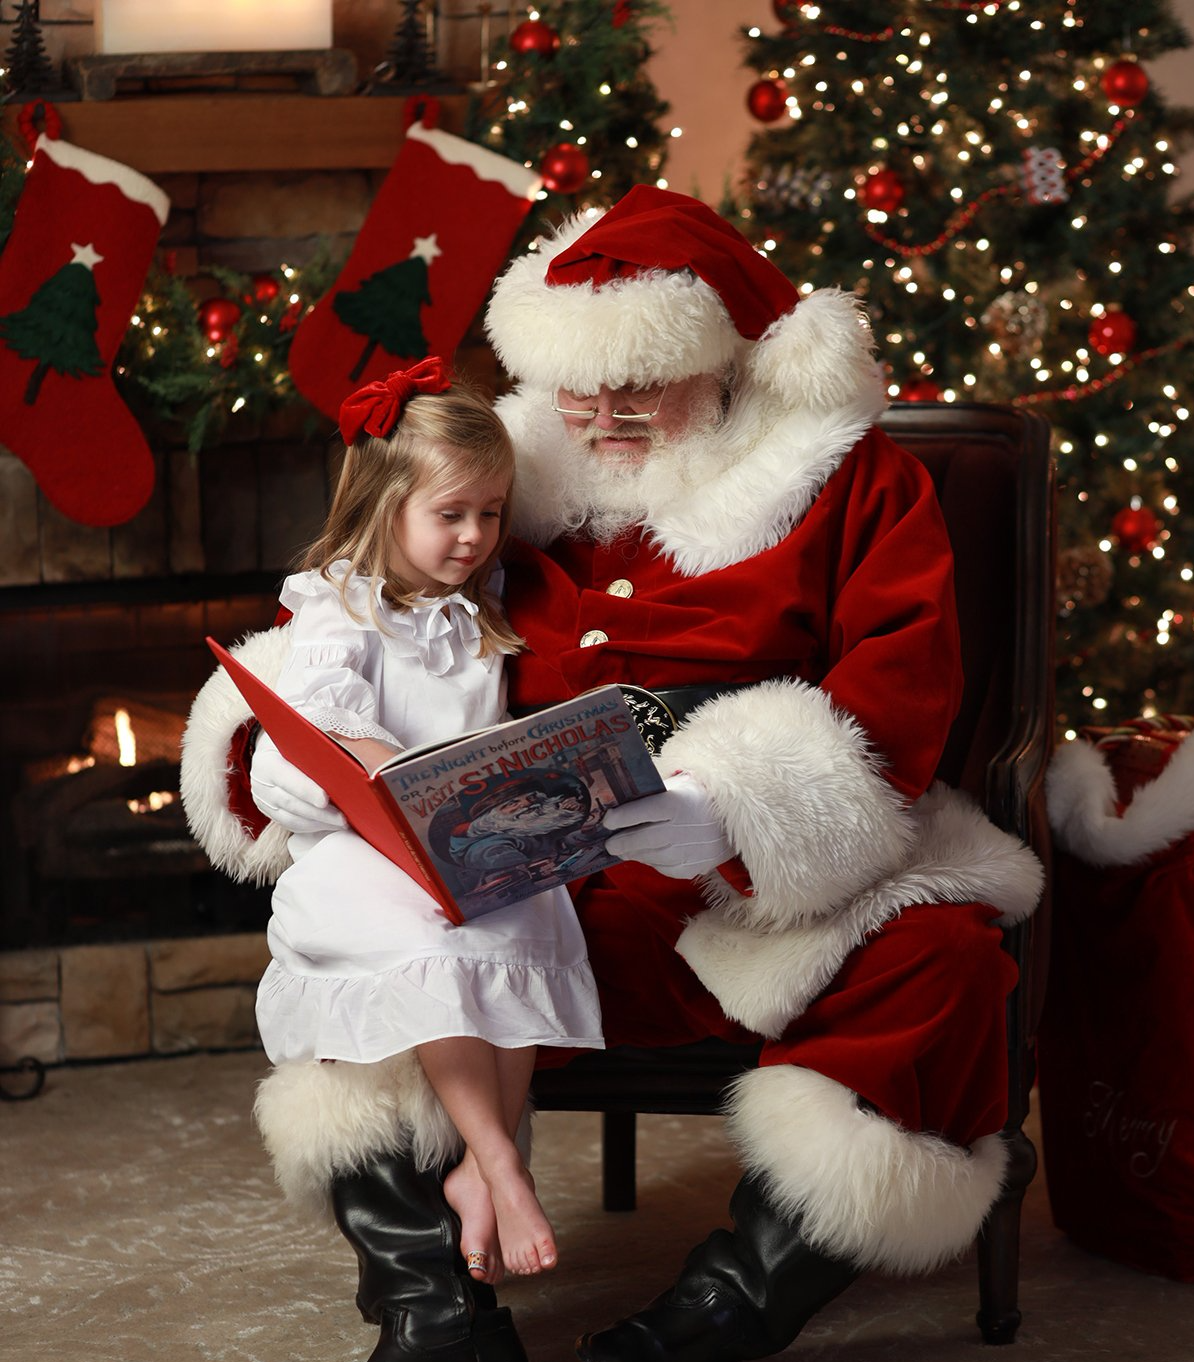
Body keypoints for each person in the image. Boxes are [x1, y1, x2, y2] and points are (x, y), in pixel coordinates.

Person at [180, 187, 1044, 1362]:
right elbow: (353, 607)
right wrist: (283, 751)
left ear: (723, 359)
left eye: (636, 385)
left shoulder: (851, 479)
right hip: (516, 872)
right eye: (578, 388)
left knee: (943, 966)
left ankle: (728, 1308)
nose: (599, 414)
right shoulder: (505, 466)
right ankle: (433, 1308)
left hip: (744, 890)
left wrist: (732, 811)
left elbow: (901, 696)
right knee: (359, 943)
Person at [248, 357, 605, 1293]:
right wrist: (403, 780)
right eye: (450, 514)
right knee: (437, 944)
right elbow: (326, 715)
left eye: (490, 512)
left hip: (466, 837)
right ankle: (501, 1164)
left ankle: (479, 1172)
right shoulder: (339, 603)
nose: (475, 535)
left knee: (526, 914)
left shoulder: (481, 606)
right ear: (383, 504)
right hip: (367, 848)